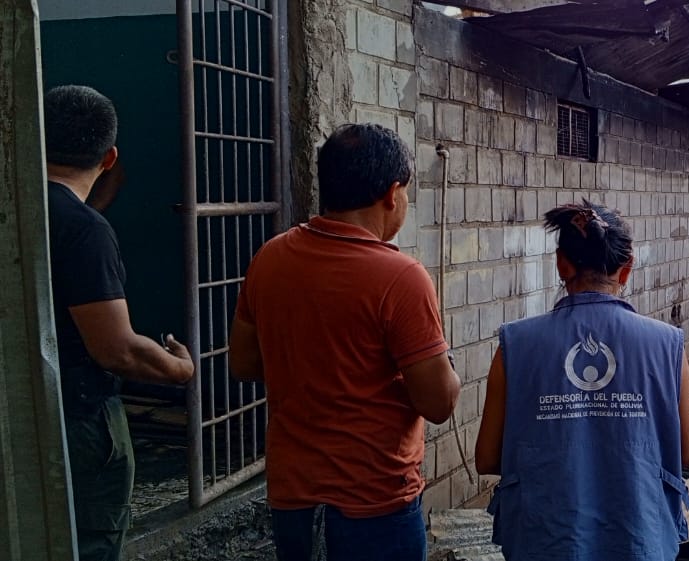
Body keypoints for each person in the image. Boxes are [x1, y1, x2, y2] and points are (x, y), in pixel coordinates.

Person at [228, 123, 460, 561]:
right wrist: (445, 364)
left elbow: (242, 363)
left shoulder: (270, 257)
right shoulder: (401, 278)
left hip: (294, 499)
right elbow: (438, 403)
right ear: (392, 193)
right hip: (375, 504)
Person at [475, 199, 689, 561]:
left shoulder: (515, 344)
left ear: (562, 265)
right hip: (640, 539)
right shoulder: (667, 344)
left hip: (544, 541)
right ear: (626, 269)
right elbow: (686, 454)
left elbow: (487, 458)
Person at [43, 84, 195, 561]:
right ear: (109, 158)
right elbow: (116, 350)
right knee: (89, 541)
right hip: (76, 416)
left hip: (23, 403)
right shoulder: (84, 229)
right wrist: (179, 369)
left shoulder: (21, 209)